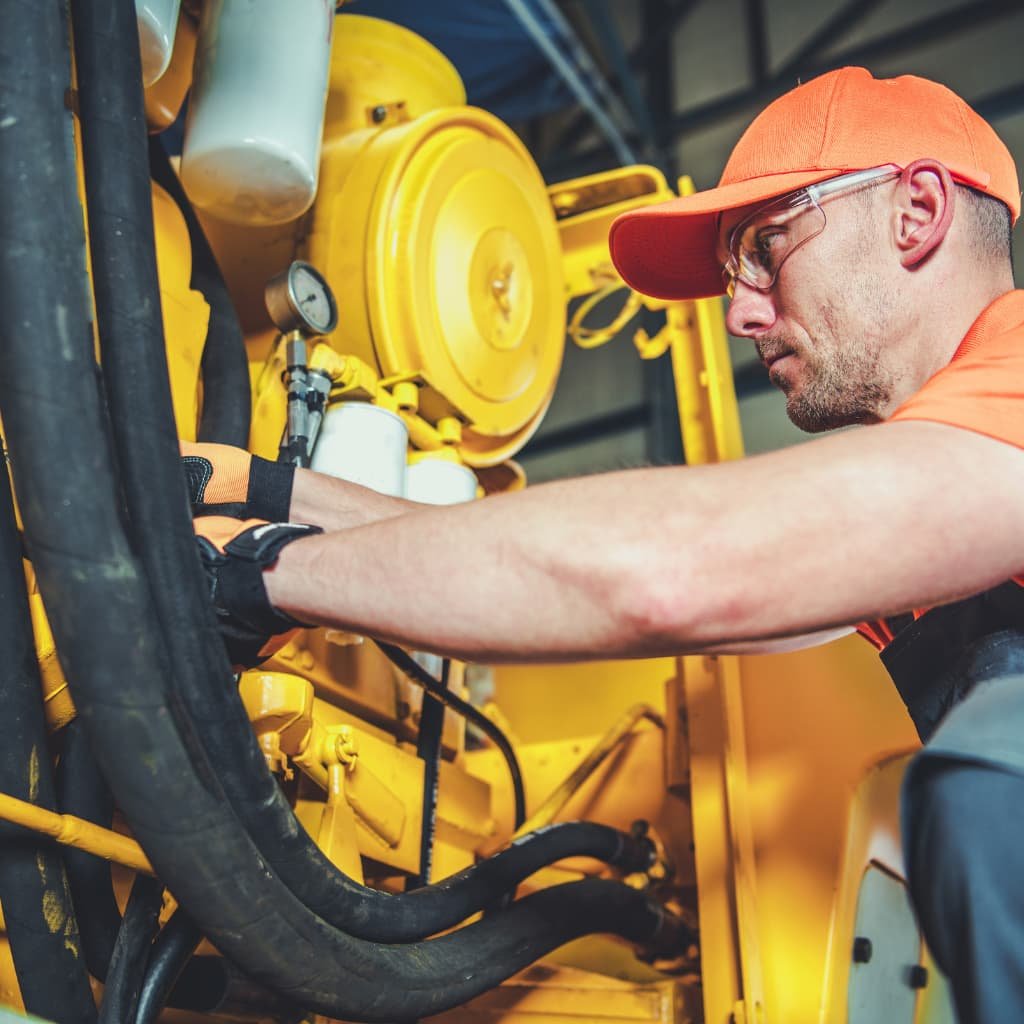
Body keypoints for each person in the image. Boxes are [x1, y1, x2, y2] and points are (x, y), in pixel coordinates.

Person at [186, 67, 1024, 1022]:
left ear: (916, 211)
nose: (742, 312)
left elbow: (677, 571)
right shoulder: (931, 521)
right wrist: (264, 491)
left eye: (767, 248)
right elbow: (534, 560)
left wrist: (264, 573)